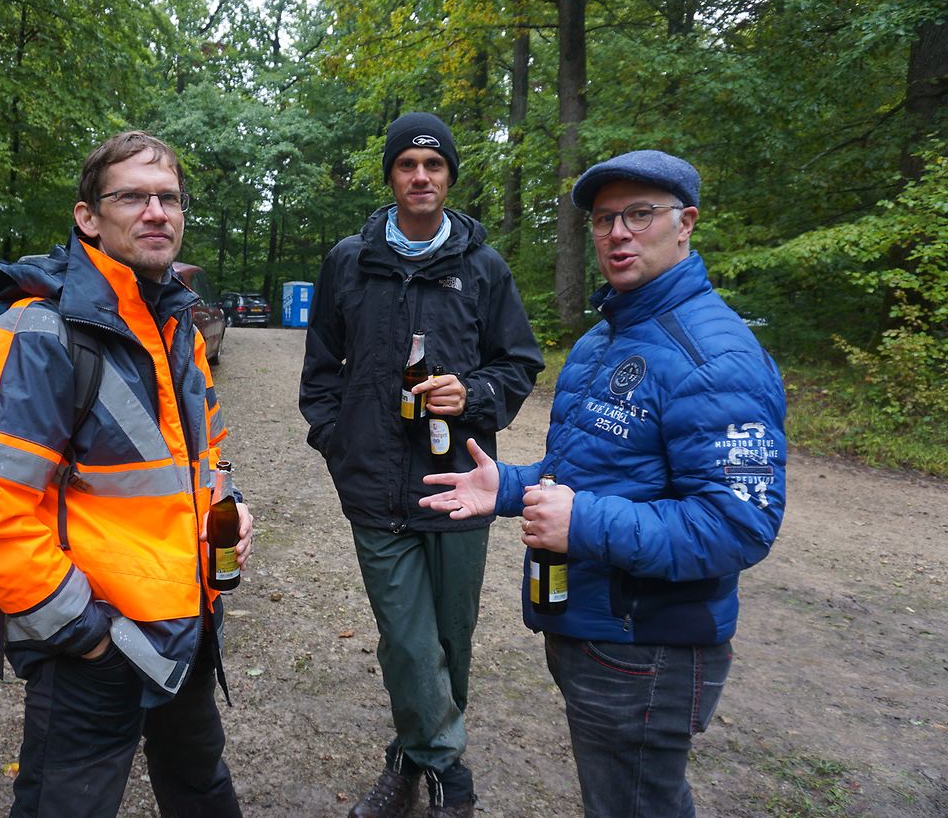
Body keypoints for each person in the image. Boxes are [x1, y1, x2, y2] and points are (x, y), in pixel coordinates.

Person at [420, 150, 787, 816]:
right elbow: (591, 475)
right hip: (592, 627)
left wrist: (582, 522)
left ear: (685, 223)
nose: (618, 233)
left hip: (650, 644)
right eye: (604, 219)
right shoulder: (604, 340)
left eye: (640, 214)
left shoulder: (716, 354)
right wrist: (508, 487)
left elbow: (739, 524)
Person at [0, 130, 252, 818]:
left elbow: (206, 456)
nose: (156, 212)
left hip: (187, 624)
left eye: (169, 198)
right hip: (96, 645)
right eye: (132, 197)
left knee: (202, 789)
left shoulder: (178, 327)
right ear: (88, 218)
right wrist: (86, 635)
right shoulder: (33, 335)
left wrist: (229, 505)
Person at [300, 112, 544, 818]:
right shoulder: (350, 261)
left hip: (459, 484)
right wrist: (339, 445)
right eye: (406, 164)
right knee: (408, 640)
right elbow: (320, 373)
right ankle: (449, 778)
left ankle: (411, 762)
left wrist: (475, 394)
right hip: (374, 486)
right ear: (390, 176)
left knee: (449, 641)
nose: (420, 176)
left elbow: (519, 363)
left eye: (433, 165)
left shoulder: (483, 268)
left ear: (450, 177)